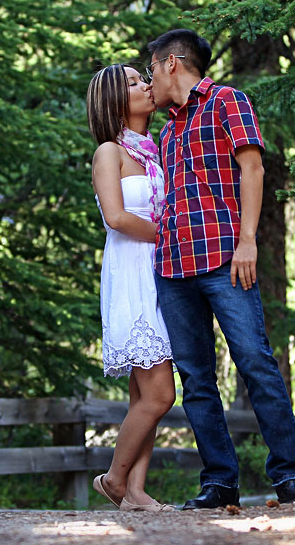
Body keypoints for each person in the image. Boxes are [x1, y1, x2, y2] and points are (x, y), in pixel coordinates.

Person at [145, 29, 295, 509]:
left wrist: (247, 242)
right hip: (174, 268)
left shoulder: (227, 101)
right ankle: (220, 481)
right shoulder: (166, 131)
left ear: (171, 64)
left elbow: (253, 170)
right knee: (196, 379)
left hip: (225, 260)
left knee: (256, 362)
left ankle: (289, 477)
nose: (149, 82)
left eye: (151, 70)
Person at [86, 63, 177, 512]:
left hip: (159, 271)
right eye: (135, 83)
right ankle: (114, 480)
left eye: (144, 78)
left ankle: (136, 493)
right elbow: (116, 218)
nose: (146, 85)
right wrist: (172, 235)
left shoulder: (152, 151)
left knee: (144, 395)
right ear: (114, 101)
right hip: (133, 272)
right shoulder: (109, 152)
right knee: (161, 393)